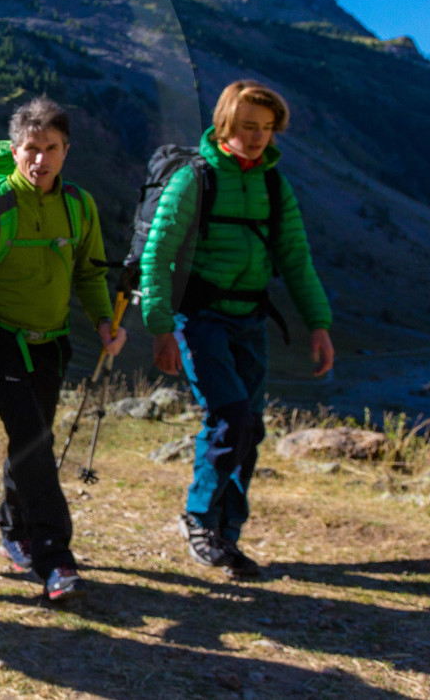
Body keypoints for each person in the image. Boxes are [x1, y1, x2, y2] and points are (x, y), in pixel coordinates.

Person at [0, 96, 124, 603]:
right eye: (31, 149)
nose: (41, 159)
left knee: (30, 438)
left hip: (53, 344)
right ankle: (55, 559)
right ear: (15, 151)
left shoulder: (80, 205)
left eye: (51, 148)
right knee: (35, 441)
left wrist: (104, 322)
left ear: (66, 150)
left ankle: (13, 529)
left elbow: (89, 272)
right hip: (2, 342)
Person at [139, 79, 334, 580]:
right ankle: (199, 519)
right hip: (200, 318)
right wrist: (162, 329)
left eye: (267, 129)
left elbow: (295, 257)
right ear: (226, 123)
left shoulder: (273, 184)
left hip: (250, 319)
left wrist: (319, 325)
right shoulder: (194, 179)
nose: (258, 137)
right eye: (249, 126)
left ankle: (228, 534)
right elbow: (158, 255)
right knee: (229, 417)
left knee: (251, 426)